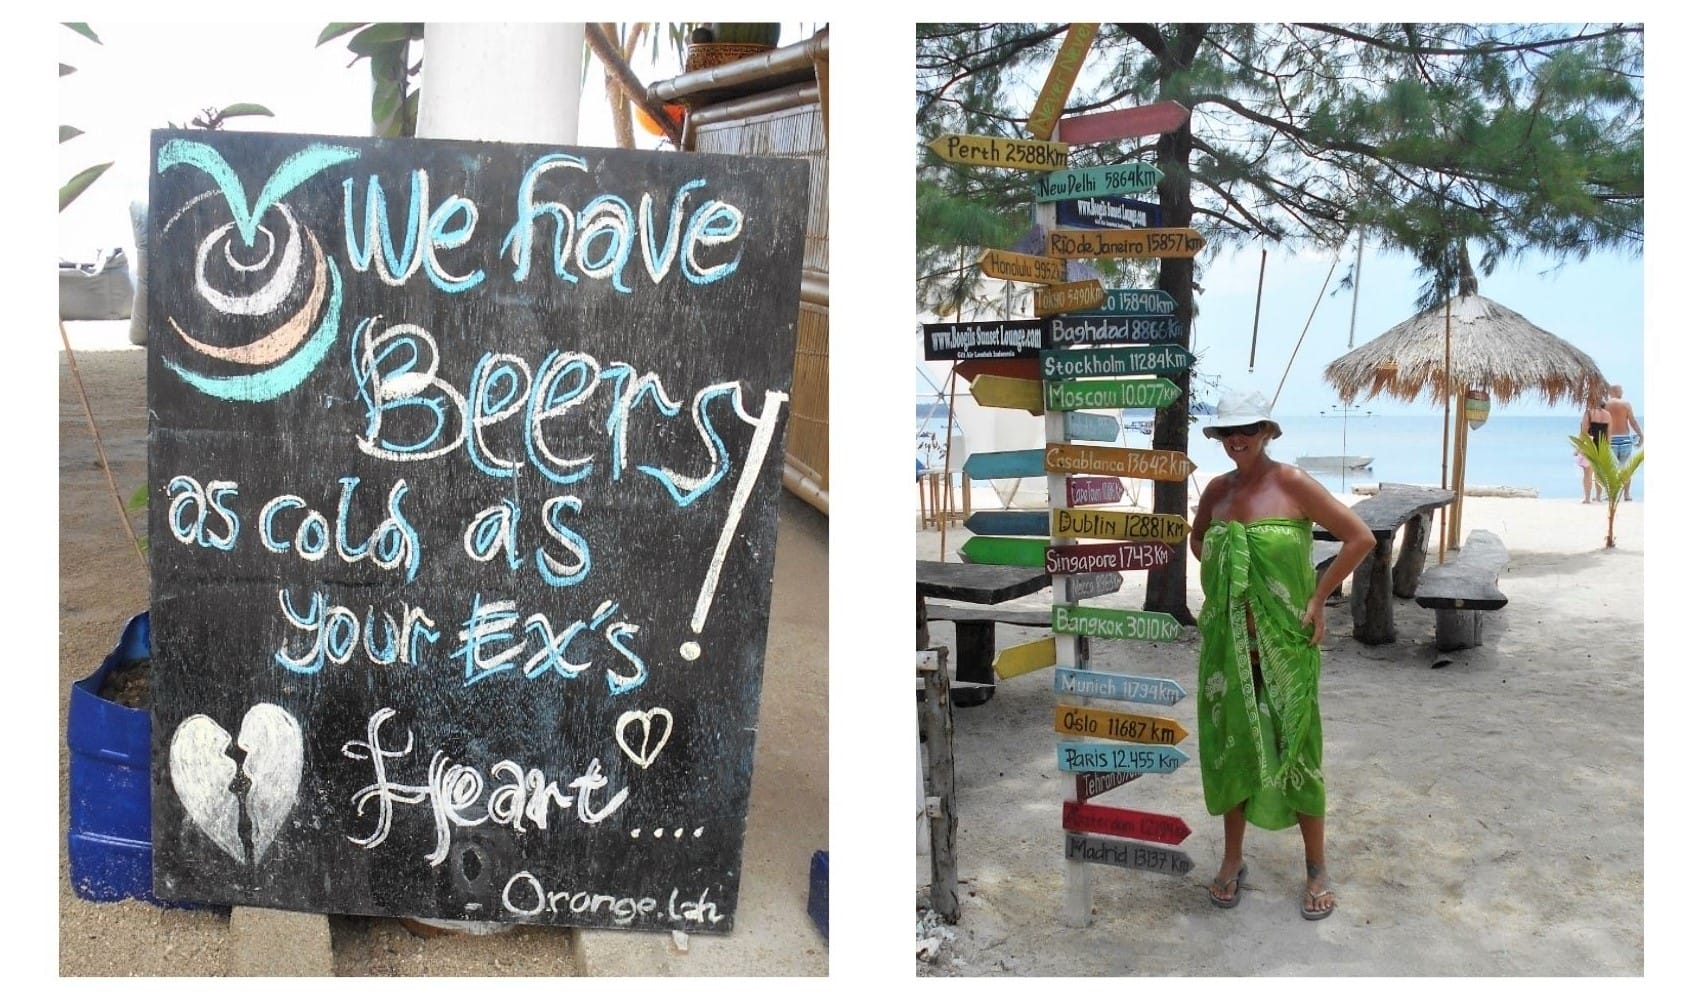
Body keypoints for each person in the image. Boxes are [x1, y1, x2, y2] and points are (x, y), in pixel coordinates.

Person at [1189, 391, 1374, 921]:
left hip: (1286, 646)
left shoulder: (1291, 483)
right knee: (1232, 746)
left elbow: (1358, 538)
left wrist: (1316, 598)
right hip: (1228, 645)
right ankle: (1232, 859)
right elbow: (1200, 541)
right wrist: (1232, 580)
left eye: (1245, 428)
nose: (1235, 439)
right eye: (1226, 432)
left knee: (1297, 746)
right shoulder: (1217, 491)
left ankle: (1316, 866)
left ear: (1267, 430)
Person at [1603, 384, 1643, 500]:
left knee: (1610, 469)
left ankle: (1611, 494)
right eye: (1621, 390)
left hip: (1611, 440)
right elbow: (1633, 422)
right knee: (1626, 469)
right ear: (1615, 391)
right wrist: (1640, 434)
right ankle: (1626, 495)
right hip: (1625, 439)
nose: (1622, 392)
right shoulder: (1626, 404)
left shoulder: (1605, 405)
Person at [1577, 386, 1612, 504]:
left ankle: (1587, 498)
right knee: (1599, 473)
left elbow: (1584, 433)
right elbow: (1609, 434)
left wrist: (1578, 448)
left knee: (1587, 473)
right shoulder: (1608, 415)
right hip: (1602, 446)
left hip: (1590, 446)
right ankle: (1598, 497)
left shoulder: (1588, 413)